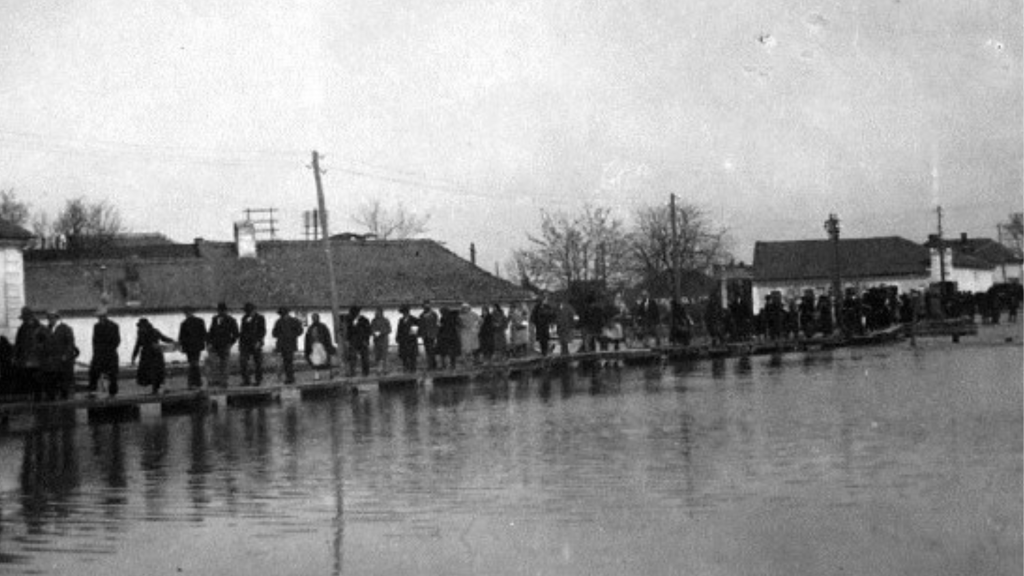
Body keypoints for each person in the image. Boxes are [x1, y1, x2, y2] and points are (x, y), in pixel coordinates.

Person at [40, 309, 77, 401]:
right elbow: (42, 344)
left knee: (63, 382)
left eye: (52, 318)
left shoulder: (65, 329)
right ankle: (51, 398)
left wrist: (66, 355)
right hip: (50, 362)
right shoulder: (45, 330)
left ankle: (64, 399)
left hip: (62, 361)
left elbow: (70, 344)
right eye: (49, 318)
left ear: (57, 318)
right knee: (50, 382)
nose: (50, 320)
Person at [132, 318, 175, 395]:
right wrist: (133, 357)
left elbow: (163, 338)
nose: (140, 328)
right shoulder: (150, 332)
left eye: (141, 326)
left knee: (154, 372)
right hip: (152, 354)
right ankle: (155, 389)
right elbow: (138, 345)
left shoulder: (150, 332)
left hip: (151, 354)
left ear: (145, 326)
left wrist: (172, 341)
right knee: (153, 372)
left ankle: (155, 389)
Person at [13, 307, 45, 401]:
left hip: (36, 358)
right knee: (28, 377)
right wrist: (16, 356)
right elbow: (18, 343)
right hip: (25, 357)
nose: (25, 320)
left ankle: (37, 396)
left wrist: (40, 349)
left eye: (26, 318)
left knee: (36, 378)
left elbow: (44, 342)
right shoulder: (22, 329)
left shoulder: (39, 328)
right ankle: (31, 396)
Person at [88, 307, 121, 398]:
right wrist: (95, 353)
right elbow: (94, 341)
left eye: (100, 317)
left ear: (105, 316)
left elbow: (117, 341)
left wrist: (108, 350)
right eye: (98, 317)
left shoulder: (114, 326)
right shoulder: (96, 326)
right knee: (93, 372)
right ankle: (92, 391)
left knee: (113, 374)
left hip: (110, 353)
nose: (99, 318)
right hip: (99, 354)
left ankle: (113, 392)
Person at [206, 302, 239, 388]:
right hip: (214, 345)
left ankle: (224, 381)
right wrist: (209, 343)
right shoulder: (214, 319)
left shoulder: (231, 320)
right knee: (213, 363)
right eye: (219, 311)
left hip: (225, 345)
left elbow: (236, 334)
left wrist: (230, 344)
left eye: (222, 311)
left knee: (225, 364)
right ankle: (215, 380)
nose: (221, 312)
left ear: (226, 311)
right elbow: (211, 332)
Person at [272, 307, 304, 383]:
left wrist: (292, 335)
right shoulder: (279, 322)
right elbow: (274, 333)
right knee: (286, 362)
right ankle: (289, 377)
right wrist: (280, 335)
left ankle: (290, 378)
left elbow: (300, 331)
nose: (282, 316)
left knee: (288, 361)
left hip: (289, 344)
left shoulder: (294, 321)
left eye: (282, 314)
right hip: (283, 344)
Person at [178, 307, 207, 389]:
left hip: (190, 347)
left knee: (192, 364)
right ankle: (196, 382)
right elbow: (204, 334)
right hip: (196, 346)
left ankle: (193, 382)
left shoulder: (184, 323)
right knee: (194, 363)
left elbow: (181, 337)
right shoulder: (200, 321)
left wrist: (181, 346)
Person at [238, 302, 266, 386]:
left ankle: (258, 380)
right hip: (245, 344)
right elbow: (242, 331)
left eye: (249, 311)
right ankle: (246, 380)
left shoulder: (260, 318)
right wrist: (241, 343)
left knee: (258, 362)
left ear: (254, 310)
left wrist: (259, 341)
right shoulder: (244, 318)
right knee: (243, 362)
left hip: (256, 343)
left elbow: (262, 331)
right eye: (247, 311)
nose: (248, 312)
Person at [303, 312, 334, 381]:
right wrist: (307, 349)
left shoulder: (323, 327)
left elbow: (327, 337)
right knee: (315, 361)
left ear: (318, 318)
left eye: (316, 318)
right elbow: (307, 339)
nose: (314, 319)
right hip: (314, 346)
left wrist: (329, 346)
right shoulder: (310, 328)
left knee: (325, 359)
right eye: (313, 318)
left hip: (323, 346)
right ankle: (317, 375)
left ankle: (329, 374)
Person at [345, 306, 371, 377]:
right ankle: (352, 372)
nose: (353, 314)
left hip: (362, 340)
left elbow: (368, 331)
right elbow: (348, 331)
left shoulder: (364, 320)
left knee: (365, 357)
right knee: (352, 357)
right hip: (353, 340)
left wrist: (366, 340)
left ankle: (365, 372)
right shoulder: (349, 320)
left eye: (354, 313)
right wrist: (348, 340)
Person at [396, 304, 419, 372]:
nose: (404, 314)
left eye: (405, 312)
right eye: (403, 312)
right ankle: (405, 369)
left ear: (408, 312)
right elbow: (399, 330)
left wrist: (410, 339)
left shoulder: (414, 319)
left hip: (411, 341)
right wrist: (398, 338)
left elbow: (414, 331)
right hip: (403, 341)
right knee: (404, 357)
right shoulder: (401, 320)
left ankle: (413, 371)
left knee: (412, 357)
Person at [370, 307, 392, 373]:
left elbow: (389, 330)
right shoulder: (373, 320)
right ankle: (378, 369)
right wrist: (373, 333)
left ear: (381, 313)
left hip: (384, 340)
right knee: (377, 355)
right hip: (376, 340)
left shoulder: (386, 320)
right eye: (375, 312)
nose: (376, 313)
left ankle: (385, 369)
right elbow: (371, 329)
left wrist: (381, 332)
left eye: (377, 312)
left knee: (384, 355)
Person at [419, 301, 440, 370]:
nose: (425, 307)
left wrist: (436, 334)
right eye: (424, 306)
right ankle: (431, 364)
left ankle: (432, 365)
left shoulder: (434, 314)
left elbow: (437, 324)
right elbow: (421, 325)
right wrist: (421, 334)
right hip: (425, 335)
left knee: (431, 350)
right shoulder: (421, 315)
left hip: (432, 335)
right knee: (427, 350)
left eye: (427, 306)